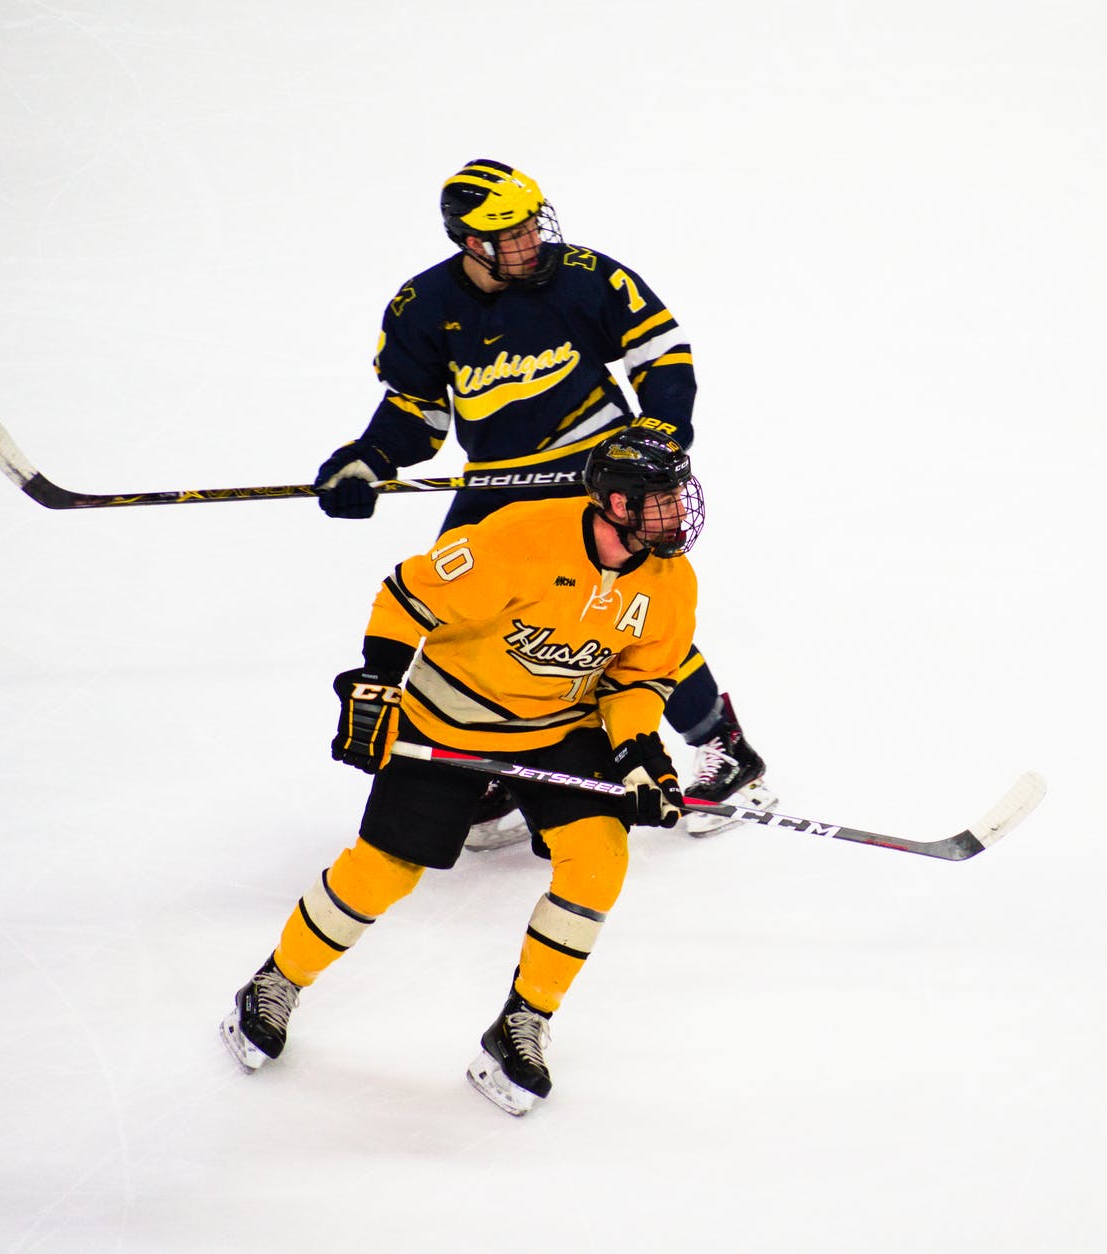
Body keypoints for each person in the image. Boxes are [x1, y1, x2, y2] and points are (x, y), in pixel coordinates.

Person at [222, 429, 704, 1115]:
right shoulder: (517, 537)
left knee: (599, 859)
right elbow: (403, 596)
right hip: (450, 719)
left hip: (556, 728)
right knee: (384, 869)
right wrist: (378, 683)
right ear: (616, 502)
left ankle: (522, 1024)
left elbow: (639, 677)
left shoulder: (670, 582)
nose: (678, 513)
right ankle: (277, 981)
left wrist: (639, 754)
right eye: (661, 501)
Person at [310, 157, 770, 846]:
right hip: (500, 483)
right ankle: (503, 765)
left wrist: (663, 431)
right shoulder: (424, 307)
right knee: (460, 611)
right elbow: (418, 411)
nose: (533, 241)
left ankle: (723, 748)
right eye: (512, 234)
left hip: (601, 471)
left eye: (533, 224)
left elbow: (663, 354)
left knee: (630, 610)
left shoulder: (586, 277)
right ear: (470, 243)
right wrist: (371, 458)